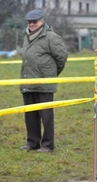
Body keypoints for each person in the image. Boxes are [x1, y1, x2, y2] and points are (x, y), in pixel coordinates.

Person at [19, 9, 68, 152]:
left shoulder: (51, 37)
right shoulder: (26, 37)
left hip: (44, 84)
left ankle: (47, 145)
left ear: (42, 21)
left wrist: (50, 75)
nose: (32, 24)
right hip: (28, 82)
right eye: (29, 22)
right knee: (30, 115)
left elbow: (62, 57)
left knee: (46, 116)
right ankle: (32, 143)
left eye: (35, 21)